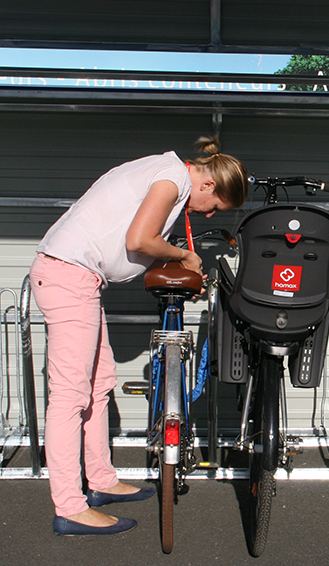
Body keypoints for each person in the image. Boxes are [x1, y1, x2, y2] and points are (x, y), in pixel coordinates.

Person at [29, 136, 248, 536]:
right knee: (69, 396)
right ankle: (69, 507)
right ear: (208, 185)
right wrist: (182, 256)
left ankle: (101, 481)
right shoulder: (171, 179)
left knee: (98, 386)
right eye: (214, 207)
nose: (207, 213)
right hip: (69, 276)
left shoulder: (168, 174)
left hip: (81, 279)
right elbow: (138, 239)